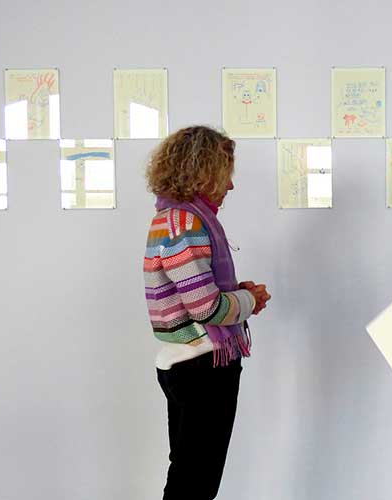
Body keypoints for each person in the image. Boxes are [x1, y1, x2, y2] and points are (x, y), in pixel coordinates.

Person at [143, 125, 271, 499]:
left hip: (187, 364)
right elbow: (207, 307)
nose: (229, 185)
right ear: (203, 170)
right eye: (225, 171)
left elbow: (198, 292)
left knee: (188, 475)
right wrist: (250, 302)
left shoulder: (174, 219)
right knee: (195, 484)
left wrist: (239, 293)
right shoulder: (185, 224)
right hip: (202, 368)